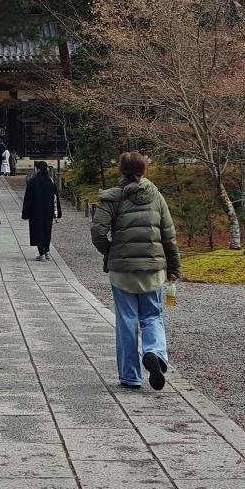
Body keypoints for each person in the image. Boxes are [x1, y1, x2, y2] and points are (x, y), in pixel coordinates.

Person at [91, 151, 180, 390]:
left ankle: (130, 376)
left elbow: (98, 232)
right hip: (152, 269)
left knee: (126, 320)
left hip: (122, 271)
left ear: (121, 169)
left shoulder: (111, 197)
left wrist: (111, 252)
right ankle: (155, 353)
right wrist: (174, 267)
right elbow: (169, 236)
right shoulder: (156, 197)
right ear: (144, 169)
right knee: (152, 316)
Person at [21, 159, 61, 259]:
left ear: (38, 169)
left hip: (36, 210)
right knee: (47, 229)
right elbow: (55, 197)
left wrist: (26, 213)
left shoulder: (32, 182)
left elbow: (28, 199)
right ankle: (47, 251)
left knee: (38, 230)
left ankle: (42, 252)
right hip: (48, 209)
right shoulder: (50, 181)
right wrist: (58, 212)